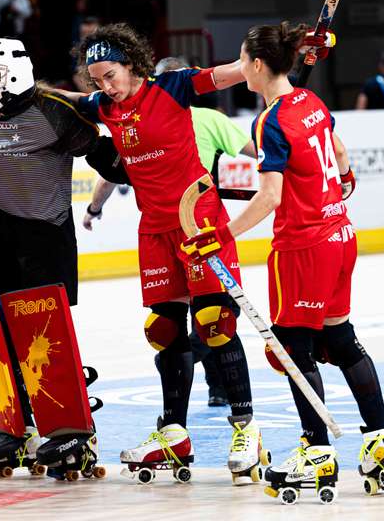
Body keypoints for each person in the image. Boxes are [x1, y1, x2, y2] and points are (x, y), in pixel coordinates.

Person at [182, 21, 384, 500]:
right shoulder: (312, 103)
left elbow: (269, 198)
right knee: (342, 340)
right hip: (342, 235)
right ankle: (380, 441)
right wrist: (344, 179)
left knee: (292, 351)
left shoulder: (270, 121)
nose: (239, 69)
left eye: (243, 61)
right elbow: (341, 154)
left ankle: (317, 451)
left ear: (258, 65)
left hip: (303, 249)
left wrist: (219, 235)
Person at [48, 23, 268, 482]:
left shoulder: (174, 85)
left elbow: (237, 70)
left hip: (199, 220)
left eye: (111, 75)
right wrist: (19, 92)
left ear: (132, 65)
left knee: (214, 323)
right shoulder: (102, 106)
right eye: (97, 80)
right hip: (154, 231)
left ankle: (247, 428)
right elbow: (65, 100)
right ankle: (173, 433)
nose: (105, 86)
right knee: (164, 329)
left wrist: (286, 53)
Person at [0, 38, 129, 477]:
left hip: (47, 235)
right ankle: (16, 428)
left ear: (12, 74)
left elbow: (107, 158)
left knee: (43, 336)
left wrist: (152, 160)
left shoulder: (53, 111)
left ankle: (71, 426)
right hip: (0, 235)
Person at [84, 55, 257, 409]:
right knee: (176, 326)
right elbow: (258, 153)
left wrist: (94, 208)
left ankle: (237, 414)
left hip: (199, 218)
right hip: (159, 225)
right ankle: (186, 414)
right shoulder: (127, 116)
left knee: (212, 318)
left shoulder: (202, 117)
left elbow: (259, 149)